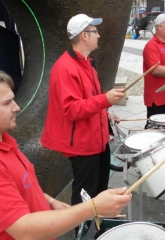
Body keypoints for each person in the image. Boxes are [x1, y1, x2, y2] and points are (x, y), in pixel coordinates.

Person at [0, 71, 132, 240]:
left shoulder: (7, 142)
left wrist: (48, 201)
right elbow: (23, 230)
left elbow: (25, 187)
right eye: (7, 103)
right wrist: (93, 207)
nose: (17, 107)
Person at [40, 13, 125, 235]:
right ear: (84, 35)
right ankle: (81, 233)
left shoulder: (88, 63)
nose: (99, 35)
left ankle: (97, 232)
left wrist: (105, 114)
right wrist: (105, 100)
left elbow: (90, 101)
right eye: (95, 32)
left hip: (98, 140)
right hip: (82, 144)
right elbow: (72, 109)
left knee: (99, 193)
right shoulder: (65, 67)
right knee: (85, 195)